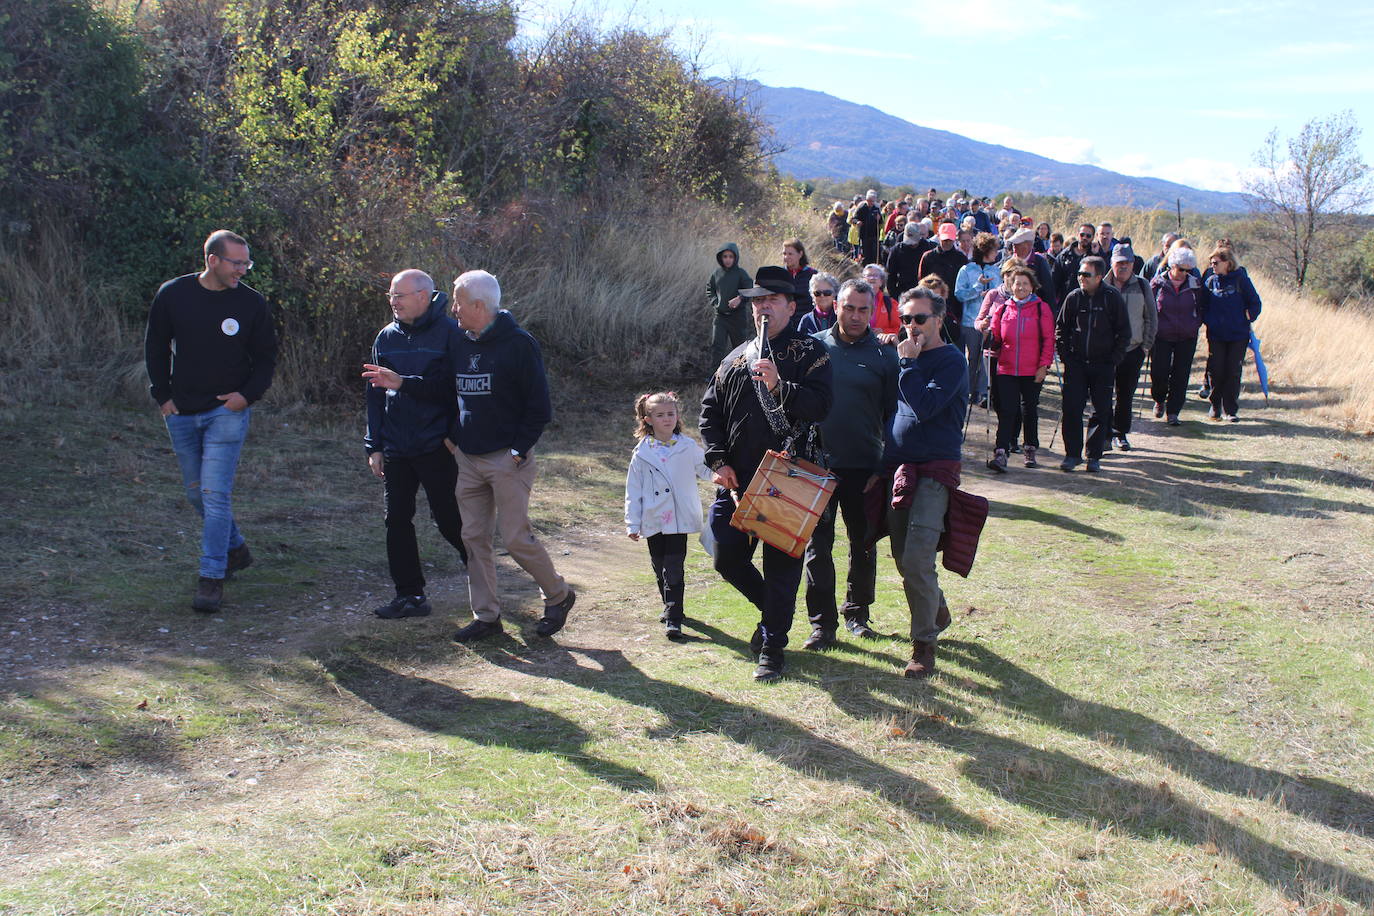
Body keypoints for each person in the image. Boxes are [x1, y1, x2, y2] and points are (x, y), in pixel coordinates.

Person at [699, 266, 834, 681]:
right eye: (757, 300)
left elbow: (822, 406)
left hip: (789, 476)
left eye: (771, 301)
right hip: (738, 478)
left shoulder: (812, 352)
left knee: (781, 566)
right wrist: (718, 461)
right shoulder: (735, 356)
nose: (762, 307)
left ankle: (772, 647)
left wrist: (781, 388)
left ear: (791, 307)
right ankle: (774, 613)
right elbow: (710, 413)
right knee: (725, 555)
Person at [144, 229, 277, 613]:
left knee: (215, 496)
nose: (243, 270)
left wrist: (245, 397)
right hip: (182, 412)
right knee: (195, 493)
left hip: (227, 413)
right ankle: (235, 549)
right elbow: (155, 345)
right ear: (212, 260)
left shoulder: (252, 303)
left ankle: (211, 577)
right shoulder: (174, 294)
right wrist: (162, 396)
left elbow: (266, 357)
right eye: (237, 263)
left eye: (246, 262)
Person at [446, 270, 576, 642]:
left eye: (457, 302)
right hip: (468, 458)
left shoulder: (519, 344)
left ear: (478, 305)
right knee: (473, 538)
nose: (453, 309)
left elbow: (539, 407)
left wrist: (518, 451)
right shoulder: (459, 341)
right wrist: (453, 441)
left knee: (516, 539)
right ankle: (486, 617)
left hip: (507, 459)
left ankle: (558, 594)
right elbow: (443, 389)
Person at [360, 270, 468, 619]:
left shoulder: (452, 333)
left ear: (424, 296)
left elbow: (458, 390)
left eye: (400, 295)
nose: (393, 302)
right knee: (396, 520)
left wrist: (453, 436)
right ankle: (410, 596)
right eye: (391, 295)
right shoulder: (386, 338)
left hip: (439, 445)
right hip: (396, 446)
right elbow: (374, 396)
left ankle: (483, 577)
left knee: (450, 519)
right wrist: (373, 445)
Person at [803, 278, 898, 649]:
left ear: (872, 310)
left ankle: (857, 614)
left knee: (863, 543)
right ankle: (822, 624)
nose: (855, 315)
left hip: (865, 466)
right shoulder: (815, 347)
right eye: (848, 307)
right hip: (817, 465)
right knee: (818, 546)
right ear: (835, 306)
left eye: (863, 309)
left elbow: (894, 416)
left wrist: (884, 466)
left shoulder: (884, 355)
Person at [885, 287, 967, 678]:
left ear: (939, 319)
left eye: (919, 318)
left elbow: (925, 405)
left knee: (918, 557)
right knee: (903, 558)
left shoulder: (950, 360)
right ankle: (935, 607)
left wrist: (909, 363)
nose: (911, 326)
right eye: (906, 319)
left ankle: (924, 646)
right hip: (900, 468)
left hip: (935, 470)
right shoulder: (905, 358)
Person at [624, 391, 712, 640]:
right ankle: (669, 606)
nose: (667, 419)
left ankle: (674, 618)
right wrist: (632, 522)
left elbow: (706, 470)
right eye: (660, 415)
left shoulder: (687, 447)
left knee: (674, 568)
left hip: (679, 517)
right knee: (659, 565)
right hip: (653, 518)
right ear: (648, 418)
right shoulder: (641, 453)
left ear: (677, 416)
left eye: (671, 414)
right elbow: (633, 490)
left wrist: (722, 476)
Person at [1055, 257, 1129, 472]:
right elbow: (1061, 329)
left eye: (1086, 274)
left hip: (1103, 365)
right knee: (1071, 409)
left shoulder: (1112, 298)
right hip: (1076, 364)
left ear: (1098, 277)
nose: (1081, 277)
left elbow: (1124, 332)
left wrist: (1114, 359)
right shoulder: (1073, 298)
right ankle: (1072, 455)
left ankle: (1093, 457)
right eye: (1079, 273)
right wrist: (1066, 356)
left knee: (1100, 411)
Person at [982, 264, 1053, 472]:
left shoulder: (1042, 308)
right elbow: (995, 340)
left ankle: (1030, 448)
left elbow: (1049, 340)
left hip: (1032, 369)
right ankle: (1001, 452)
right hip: (1006, 368)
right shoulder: (1003, 309)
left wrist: (1044, 366)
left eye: (1024, 283)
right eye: (1016, 283)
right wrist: (988, 337)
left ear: (1032, 286)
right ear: (1010, 286)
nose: (1020, 287)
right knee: (1007, 411)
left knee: (1029, 409)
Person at [1101, 246, 1157, 450]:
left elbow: (1151, 317)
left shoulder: (1142, 286)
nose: (1123, 266)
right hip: (1105, 351)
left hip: (1133, 350)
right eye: (1119, 262)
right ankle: (1104, 433)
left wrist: (1146, 345)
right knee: (1104, 393)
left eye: (1127, 262)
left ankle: (1120, 432)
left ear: (1133, 264)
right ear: (1112, 263)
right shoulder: (1101, 284)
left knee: (1125, 394)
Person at [1202, 244, 1262, 422]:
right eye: (1211, 262)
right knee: (1216, 370)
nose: (1212, 265)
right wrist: (1209, 320)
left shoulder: (1241, 280)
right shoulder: (1210, 281)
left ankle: (1230, 410)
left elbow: (1255, 302)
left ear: (1228, 263)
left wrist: (1249, 316)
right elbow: (1202, 305)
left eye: (1216, 262)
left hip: (1238, 335)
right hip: (1216, 335)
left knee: (1233, 372)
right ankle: (1215, 406)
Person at [1149, 247, 1208, 426]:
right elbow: (1149, 307)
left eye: (1188, 269)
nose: (1184, 273)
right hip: (1162, 335)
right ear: (1172, 265)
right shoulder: (1157, 283)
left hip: (1186, 336)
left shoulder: (1195, 284)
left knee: (1181, 375)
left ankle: (1174, 411)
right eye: (1181, 269)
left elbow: (1201, 308)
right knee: (1159, 373)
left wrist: (1195, 323)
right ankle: (1159, 399)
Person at [954, 232, 1001, 408]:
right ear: (985, 250)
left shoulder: (996, 271)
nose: (996, 253)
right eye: (994, 250)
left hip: (991, 324)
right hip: (970, 322)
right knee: (972, 358)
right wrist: (977, 288)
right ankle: (968, 391)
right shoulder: (967, 270)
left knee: (985, 358)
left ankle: (983, 393)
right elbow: (959, 294)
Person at [707, 242, 754, 367]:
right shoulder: (716, 273)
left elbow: (750, 289)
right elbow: (709, 289)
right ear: (721, 258)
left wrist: (740, 298)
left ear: (735, 258)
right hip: (720, 317)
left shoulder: (741, 273)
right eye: (725, 256)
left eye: (731, 256)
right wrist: (715, 303)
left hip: (737, 317)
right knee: (717, 346)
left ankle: (742, 373)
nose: (727, 260)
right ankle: (714, 376)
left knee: (740, 348)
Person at [919, 223, 969, 337]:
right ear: (938, 236)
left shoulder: (961, 258)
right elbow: (921, 281)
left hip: (955, 308)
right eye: (944, 240)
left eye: (950, 240)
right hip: (932, 306)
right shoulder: (928, 257)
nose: (947, 243)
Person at [1008, 227, 1058, 314]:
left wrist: (1050, 316)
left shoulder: (1040, 262)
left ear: (1028, 245)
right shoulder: (1010, 262)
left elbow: (1048, 292)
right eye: (1013, 243)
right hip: (1013, 313)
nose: (1014, 246)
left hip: (1035, 313)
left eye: (1017, 243)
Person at [885, 221, 932, 299]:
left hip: (923, 290)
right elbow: (890, 274)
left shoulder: (927, 247)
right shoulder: (896, 250)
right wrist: (894, 294)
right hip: (903, 291)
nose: (912, 244)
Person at [1054, 223, 1099, 304]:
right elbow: (1054, 282)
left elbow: (1102, 277)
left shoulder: (1095, 256)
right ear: (1078, 235)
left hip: (1088, 303)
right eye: (1082, 235)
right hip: (1066, 302)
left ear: (1093, 237)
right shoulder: (1064, 255)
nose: (1084, 238)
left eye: (1088, 236)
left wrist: (1096, 254)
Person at [782, 238, 818, 325]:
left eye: (790, 254)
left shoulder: (812, 275)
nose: (786, 257)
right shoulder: (780, 275)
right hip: (785, 324)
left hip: (807, 324)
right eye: (784, 254)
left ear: (800, 254)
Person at [864, 263, 900, 343]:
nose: (872, 278)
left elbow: (898, 328)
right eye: (868, 275)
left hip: (882, 346)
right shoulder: (855, 300)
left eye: (876, 275)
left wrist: (883, 331)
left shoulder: (890, 303)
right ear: (863, 280)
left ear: (881, 282)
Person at [853, 189, 881, 265]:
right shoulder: (861, 208)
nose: (871, 203)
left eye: (873, 201)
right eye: (870, 201)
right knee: (864, 253)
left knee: (873, 254)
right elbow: (854, 219)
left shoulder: (876, 208)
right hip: (864, 235)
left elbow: (881, 222)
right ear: (866, 200)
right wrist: (857, 222)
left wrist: (879, 218)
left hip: (874, 235)